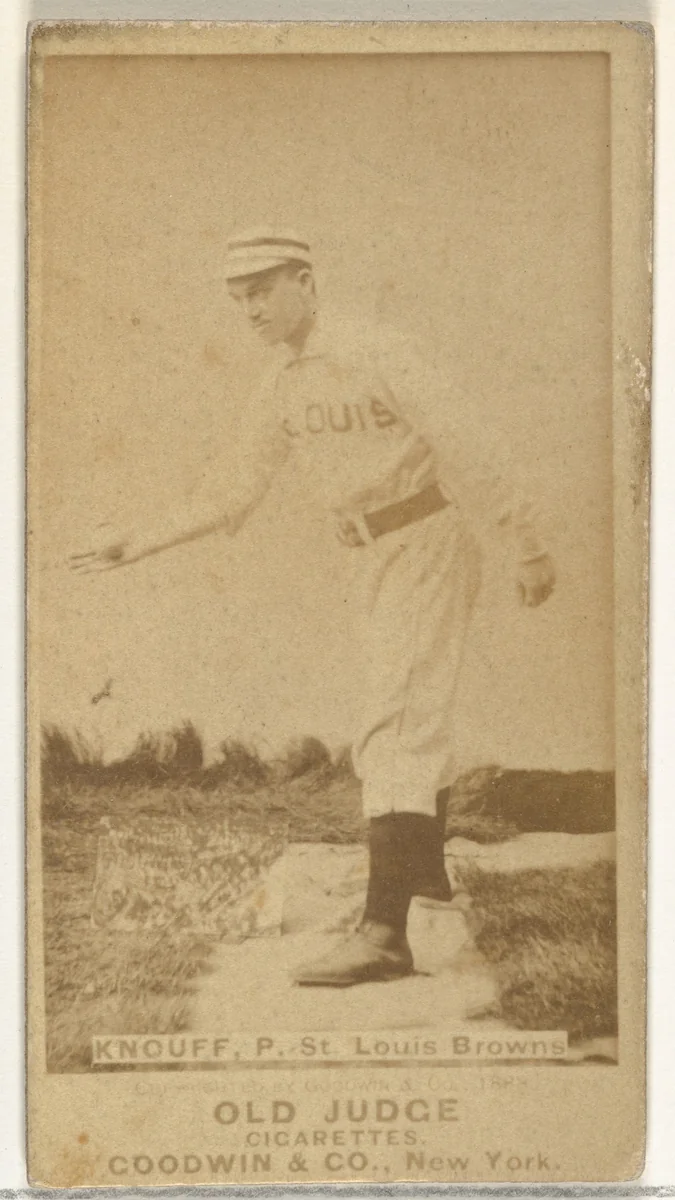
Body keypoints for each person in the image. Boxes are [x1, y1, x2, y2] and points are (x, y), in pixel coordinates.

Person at [70, 226, 556, 988]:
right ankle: (423, 888)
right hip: (367, 555)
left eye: (262, 291)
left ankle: (383, 935)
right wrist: (135, 542)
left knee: (394, 727)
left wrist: (524, 542)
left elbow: (470, 443)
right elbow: (234, 488)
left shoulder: (377, 350)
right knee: (398, 718)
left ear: (305, 280)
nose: (251, 311)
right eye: (239, 300)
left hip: (423, 537)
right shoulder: (285, 379)